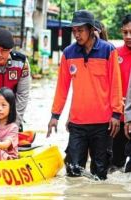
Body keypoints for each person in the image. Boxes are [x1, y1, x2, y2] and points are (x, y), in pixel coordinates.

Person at [47, 10, 122, 180]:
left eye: (80, 30)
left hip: (103, 125)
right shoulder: (68, 53)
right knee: (73, 172)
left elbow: (115, 85)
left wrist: (116, 114)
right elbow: (62, 88)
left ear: (90, 29)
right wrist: (55, 116)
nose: (76, 35)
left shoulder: (108, 50)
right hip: (77, 124)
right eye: (74, 31)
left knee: (100, 174)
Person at [121, 14, 131, 173]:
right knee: (115, 165)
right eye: (125, 32)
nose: (128, 36)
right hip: (118, 119)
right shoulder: (114, 54)